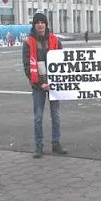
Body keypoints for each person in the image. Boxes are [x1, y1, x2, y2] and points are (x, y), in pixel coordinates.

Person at [22, 10, 68, 158]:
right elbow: (28, 66)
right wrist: (41, 83)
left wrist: (53, 81)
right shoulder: (28, 42)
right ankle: (39, 146)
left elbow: (63, 62)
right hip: (38, 85)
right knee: (38, 117)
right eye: (37, 23)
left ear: (46, 24)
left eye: (42, 22)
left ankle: (56, 143)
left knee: (56, 115)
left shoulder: (55, 41)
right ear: (34, 25)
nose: (40, 25)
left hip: (54, 85)